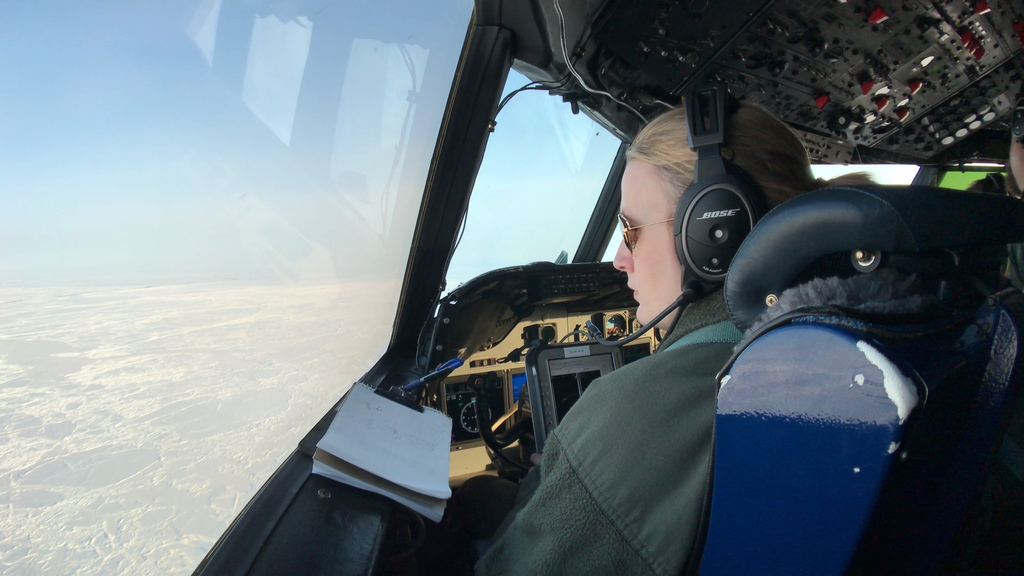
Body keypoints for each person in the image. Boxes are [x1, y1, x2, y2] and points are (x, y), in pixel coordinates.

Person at [432, 102, 874, 576]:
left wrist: (574, 465)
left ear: (713, 233)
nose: (620, 259)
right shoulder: (844, 339)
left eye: (630, 230)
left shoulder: (643, 408)